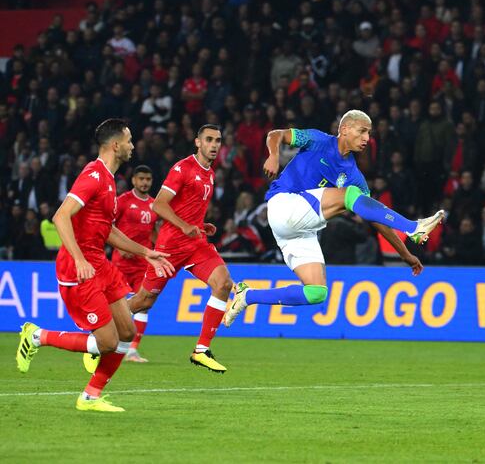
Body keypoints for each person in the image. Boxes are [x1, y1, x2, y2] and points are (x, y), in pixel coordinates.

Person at [223, 110, 443, 326]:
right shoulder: (318, 140)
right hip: (283, 204)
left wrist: (405, 254)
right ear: (345, 129)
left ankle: (247, 296)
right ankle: (413, 226)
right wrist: (273, 155)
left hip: (300, 230)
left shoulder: (355, 178)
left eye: (369, 134)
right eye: (362, 131)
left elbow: (374, 217)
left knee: (316, 292)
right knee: (349, 196)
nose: (367, 138)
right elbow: (276, 134)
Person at [15, 119, 174, 412]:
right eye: (128, 140)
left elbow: (108, 231)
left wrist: (145, 252)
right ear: (115, 145)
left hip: (100, 263)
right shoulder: (93, 175)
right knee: (108, 342)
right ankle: (36, 336)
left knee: (127, 331)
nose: (132, 145)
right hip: (78, 268)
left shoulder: (110, 180)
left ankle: (90, 396)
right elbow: (61, 217)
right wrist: (78, 259)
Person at [126, 124, 236, 373]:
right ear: (198, 142)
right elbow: (159, 205)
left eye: (218, 140)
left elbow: (188, 209)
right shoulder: (182, 168)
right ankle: (99, 329)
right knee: (144, 301)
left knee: (224, 283)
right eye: (208, 140)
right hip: (170, 245)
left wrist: (199, 225)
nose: (214, 145)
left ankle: (201, 350)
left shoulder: (210, 173)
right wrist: (184, 225)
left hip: (195, 243)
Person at [110, 165, 157, 363]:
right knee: (115, 305)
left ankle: (131, 350)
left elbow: (154, 231)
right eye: (141, 179)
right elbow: (107, 225)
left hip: (142, 265)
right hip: (119, 264)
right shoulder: (122, 201)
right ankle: (108, 342)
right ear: (134, 180)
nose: (144, 182)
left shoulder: (155, 205)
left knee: (144, 305)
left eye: (148, 179)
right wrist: (120, 247)